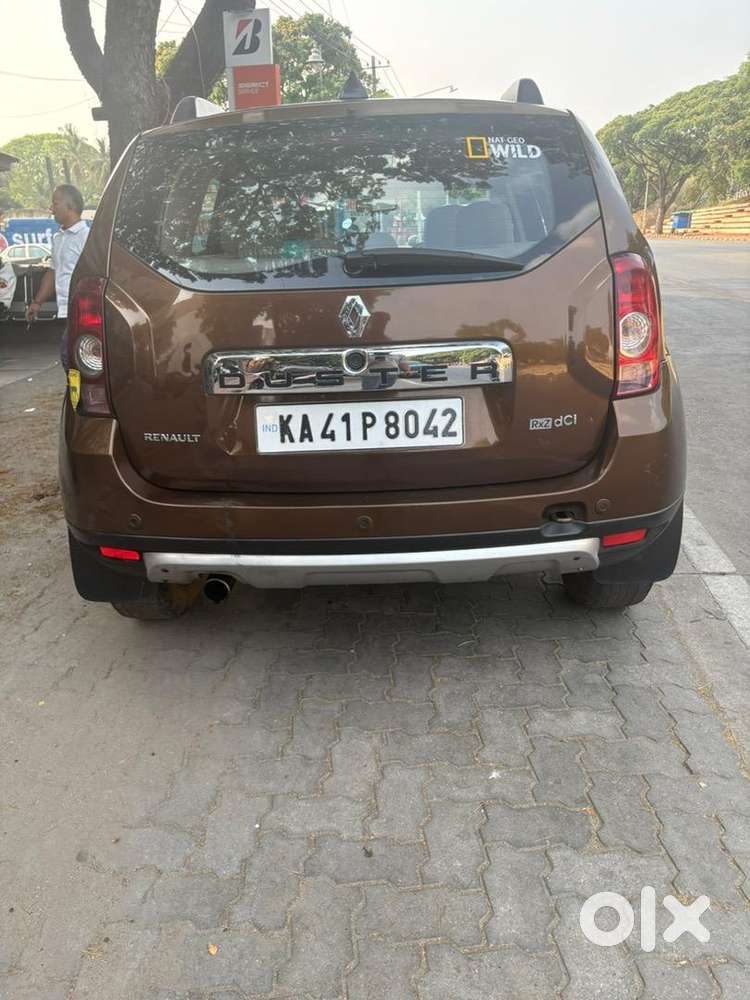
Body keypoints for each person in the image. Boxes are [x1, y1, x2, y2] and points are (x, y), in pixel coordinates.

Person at [25, 185, 89, 353]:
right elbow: (53, 272)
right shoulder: (58, 238)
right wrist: (37, 303)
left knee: (70, 356)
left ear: (71, 206)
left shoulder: (87, 237)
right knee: (70, 359)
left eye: (55, 203)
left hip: (83, 311)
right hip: (64, 310)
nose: (51, 209)